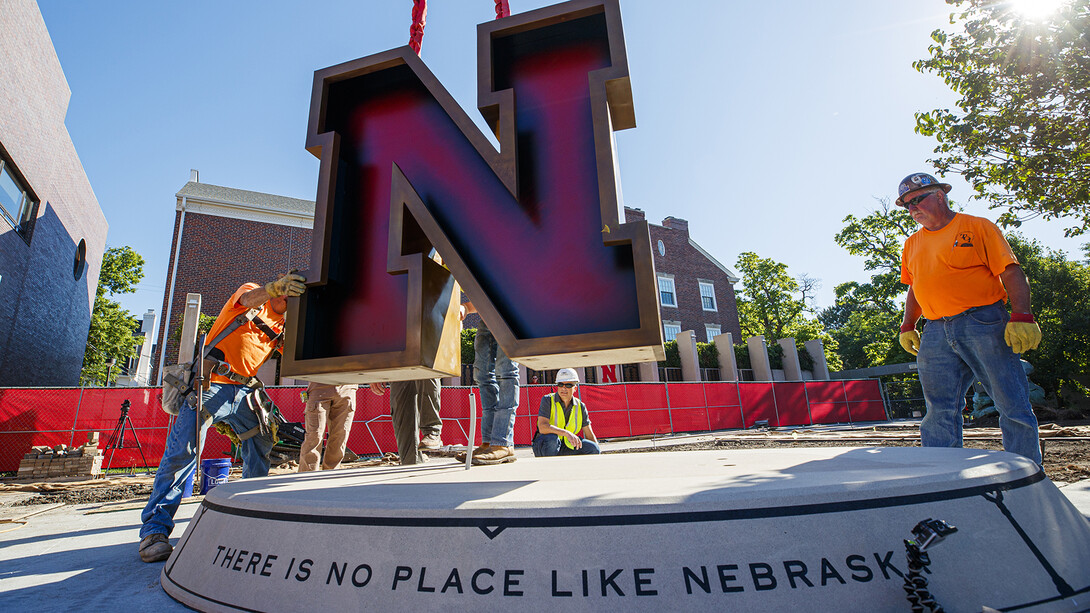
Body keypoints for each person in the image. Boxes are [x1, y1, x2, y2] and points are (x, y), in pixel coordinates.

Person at [138, 272, 305, 563]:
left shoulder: (283, 326)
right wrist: (272, 288)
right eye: (285, 288)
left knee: (261, 444)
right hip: (210, 384)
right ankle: (155, 531)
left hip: (244, 391)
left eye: (293, 293)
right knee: (183, 453)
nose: (286, 296)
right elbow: (248, 298)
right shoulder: (253, 294)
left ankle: (251, 512)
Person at [895, 172, 1042, 463]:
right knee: (939, 409)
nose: (912, 209)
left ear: (939, 195)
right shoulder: (912, 244)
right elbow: (915, 286)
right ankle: (942, 473)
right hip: (936, 330)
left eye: (917, 200)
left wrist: (1022, 315)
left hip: (983, 321)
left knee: (1011, 401)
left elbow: (1010, 270)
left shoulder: (977, 227)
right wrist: (908, 324)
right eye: (907, 205)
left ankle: (1027, 470)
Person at [459, 302, 519, 465]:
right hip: (487, 317)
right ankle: (488, 442)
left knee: (506, 372)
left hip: (509, 313)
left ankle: (503, 442)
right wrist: (466, 307)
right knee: (483, 375)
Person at [370, 378, 443, 465]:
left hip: (424, 369)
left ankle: (432, 431)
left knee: (427, 372)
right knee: (402, 412)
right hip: (399, 369)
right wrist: (375, 374)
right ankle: (410, 464)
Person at [532, 368, 600, 457]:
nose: (563, 388)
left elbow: (589, 435)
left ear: (575, 388)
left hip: (567, 446)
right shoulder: (548, 400)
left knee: (592, 448)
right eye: (560, 384)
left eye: (568, 385)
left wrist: (597, 451)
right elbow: (542, 427)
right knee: (552, 439)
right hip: (546, 445)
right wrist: (566, 433)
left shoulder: (580, 406)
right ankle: (548, 467)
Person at [297, 382, 358, 472]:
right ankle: (307, 474)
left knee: (340, 436)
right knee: (314, 435)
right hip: (319, 386)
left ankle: (330, 474)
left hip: (347, 388)